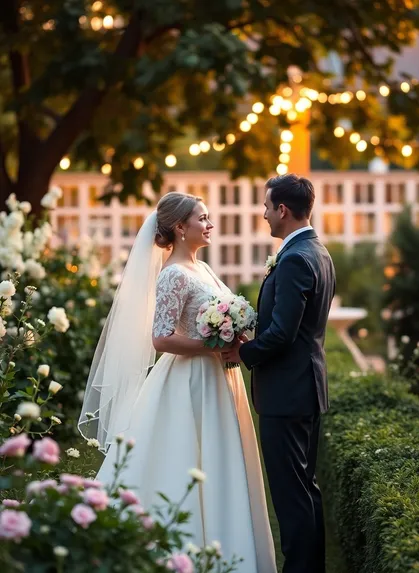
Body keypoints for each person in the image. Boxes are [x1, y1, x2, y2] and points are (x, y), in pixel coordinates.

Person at [79, 192, 276, 573]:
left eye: (208, 217)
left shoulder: (201, 269)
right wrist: (213, 343)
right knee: (188, 456)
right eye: (202, 218)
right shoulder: (173, 274)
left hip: (218, 379)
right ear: (180, 227)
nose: (209, 224)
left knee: (221, 458)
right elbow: (162, 337)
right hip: (190, 380)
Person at [223, 174, 336, 573]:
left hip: (288, 394)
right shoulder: (317, 251)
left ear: (283, 210)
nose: (263, 214)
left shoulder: (294, 259)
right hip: (303, 389)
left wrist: (243, 351)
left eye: (267, 206)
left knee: (291, 496)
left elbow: (283, 334)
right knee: (305, 490)